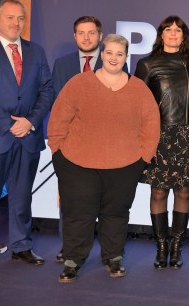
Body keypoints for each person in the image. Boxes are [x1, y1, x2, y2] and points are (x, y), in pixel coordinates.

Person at [48, 34, 160, 283]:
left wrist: (143, 157)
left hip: (125, 165)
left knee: (116, 214)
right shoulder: (79, 83)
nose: (114, 58)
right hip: (78, 164)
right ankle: (72, 260)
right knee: (78, 213)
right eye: (109, 52)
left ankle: (114, 257)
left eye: (120, 54)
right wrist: (58, 153)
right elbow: (58, 120)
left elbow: (151, 125)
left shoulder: (139, 89)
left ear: (126, 57)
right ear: (102, 53)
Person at [0, 0, 54, 275]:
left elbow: (47, 90)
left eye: (20, 18)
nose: (16, 23)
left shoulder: (36, 51)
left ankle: (21, 246)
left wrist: (30, 121)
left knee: (21, 197)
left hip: (27, 137)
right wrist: (9, 124)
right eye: (10, 18)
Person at [135, 16, 189, 270]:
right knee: (159, 192)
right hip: (159, 136)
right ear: (161, 34)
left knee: (184, 191)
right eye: (168, 29)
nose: (173, 33)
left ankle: (177, 248)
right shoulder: (147, 64)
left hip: (188, 135)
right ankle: (161, 247)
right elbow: (138, 104)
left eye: (178, 30)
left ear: (184, 35)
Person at [51, 15, 106, 263]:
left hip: (104, 144)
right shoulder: (61, 65)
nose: (86, 37)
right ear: (75, 37)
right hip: (71, 145)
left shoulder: (114, 61)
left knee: (104, 198)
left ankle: (109, 250)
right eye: (81, 33)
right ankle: (68, 248)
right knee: (70, 198)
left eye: (91, 32)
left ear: (100, 36)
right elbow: (57, 105)